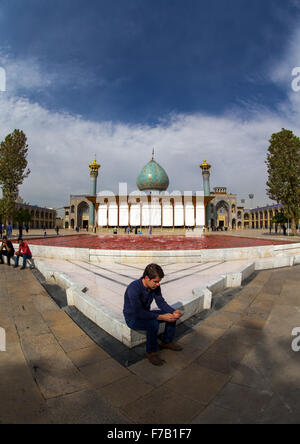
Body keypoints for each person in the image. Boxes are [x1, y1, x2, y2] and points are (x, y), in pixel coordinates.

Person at [123, 263, 183, 366]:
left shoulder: (155, 287)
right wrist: (160, 317)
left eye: (159, 282)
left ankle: (166, 342)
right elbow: (138, 312)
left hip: (145, 314)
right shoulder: (134, 288)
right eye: (155, 282)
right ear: (147, 278)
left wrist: (173, 311)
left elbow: (161, 302)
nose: (158, 284)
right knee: (153, 324)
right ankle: (151, 352)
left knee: (170, 315)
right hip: (133, 318)